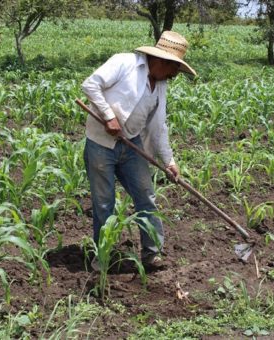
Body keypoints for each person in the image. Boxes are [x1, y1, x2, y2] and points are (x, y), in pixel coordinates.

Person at [82, 31, 196, 270]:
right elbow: (90, 84)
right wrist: (109, 116)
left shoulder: (161, 85)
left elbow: (158, 126)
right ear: (163, 61)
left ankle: (152, 253)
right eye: (174, 70)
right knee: (104, 203)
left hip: (131, 145)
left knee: (146, 197)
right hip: (100, 145)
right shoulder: (125, 63)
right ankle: (102, 257)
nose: (174, 76)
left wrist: (170, 161)